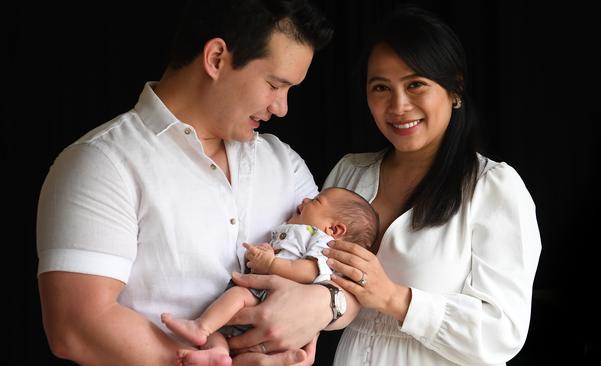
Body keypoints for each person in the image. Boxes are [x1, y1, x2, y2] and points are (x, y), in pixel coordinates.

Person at [35, 1, 350, 365]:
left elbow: (353, 278)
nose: (282, 108)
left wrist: (328, 303)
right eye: (275, 85)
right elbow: (75, 328)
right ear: (216, 58)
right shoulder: (100, 163)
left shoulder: (283, 163)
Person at [320, 7, 542, 366]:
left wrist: (394, 298)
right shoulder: (350, 174)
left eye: (415, 84)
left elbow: (503, 332)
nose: (398, 106)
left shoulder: (492, 188)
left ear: (454, 88)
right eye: (381, 88)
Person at [161, 187, 379, 366]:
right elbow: (286, 257)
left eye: (316, 200)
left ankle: (201, 326)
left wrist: (271, 263)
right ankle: (217, 354)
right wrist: (266, 254)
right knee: (225, 330)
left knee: (237, 296)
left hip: (273, 297)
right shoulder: (298, 231)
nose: (305, 199)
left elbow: (309, 270)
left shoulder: (321, 241)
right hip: (269, 303)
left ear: (335, 229)